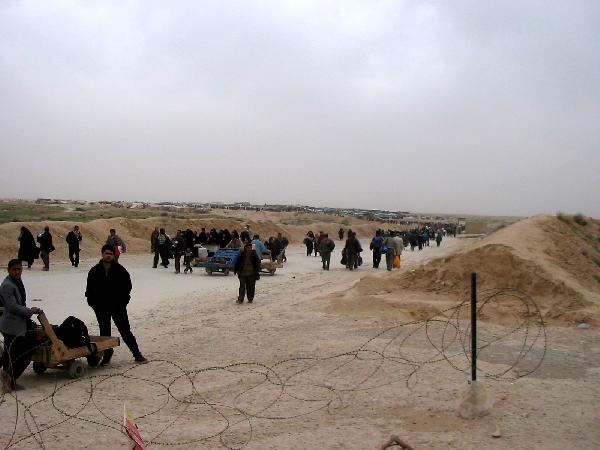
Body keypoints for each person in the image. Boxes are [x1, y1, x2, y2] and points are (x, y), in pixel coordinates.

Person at [85, 245, 147, 364]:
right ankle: (107, 355)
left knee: (125, 331)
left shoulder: (120, 270)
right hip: (101, 307)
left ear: (113, 255)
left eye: (111, 254)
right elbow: (89, 288)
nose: (108, 255)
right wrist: (92, 303)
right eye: (106, 253)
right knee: (104, 332)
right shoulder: (95, 270)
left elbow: (127, 287)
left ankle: (137, 354)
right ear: (102, 254)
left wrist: (123, 302)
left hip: (117, 306)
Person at [0, 259, 43, 392]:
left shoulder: (15, 281)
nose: (17, 272)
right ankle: (10, 379)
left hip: (16, 324)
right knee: (24, 352)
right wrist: (30, 311)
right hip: (12, 325)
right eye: (15, 269)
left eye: (19, 269)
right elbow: (12, 306)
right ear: (9, 270)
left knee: (10, 353)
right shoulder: (8, 285)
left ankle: (8, 378)